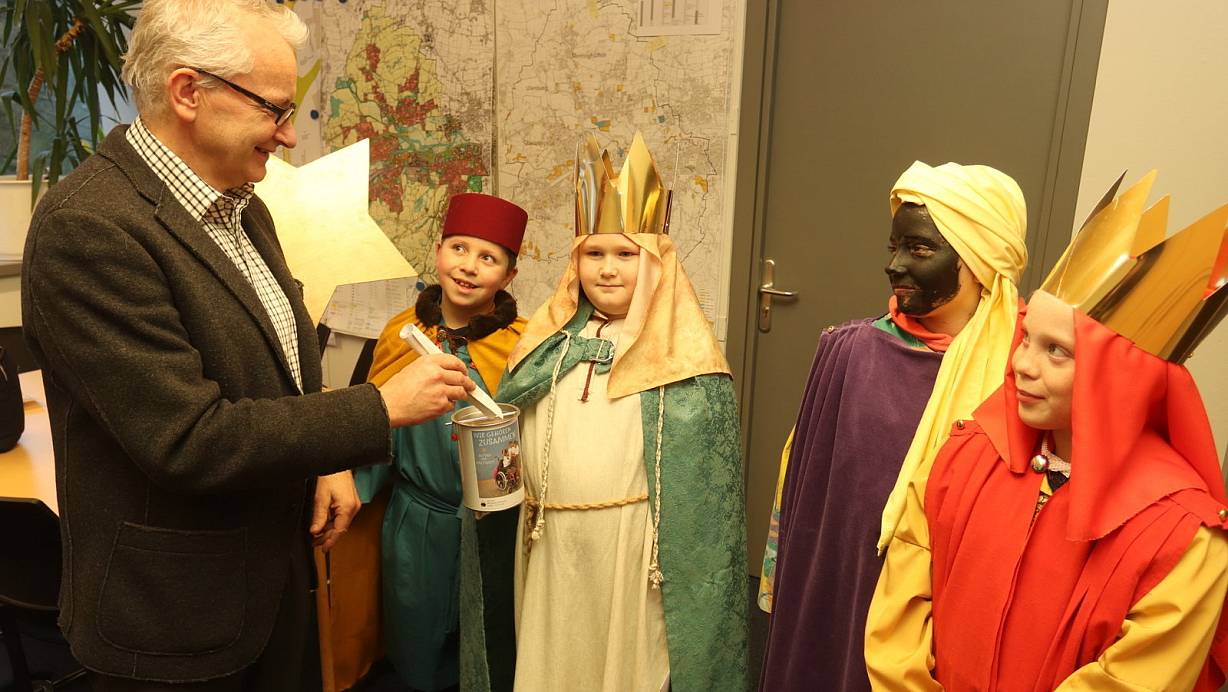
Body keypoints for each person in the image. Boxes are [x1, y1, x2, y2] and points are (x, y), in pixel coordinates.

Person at [19, 1, 475, 689]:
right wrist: (376, 409)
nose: (289, 136)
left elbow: (278, 365)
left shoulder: (241, 205)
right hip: (175, 623)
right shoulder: (90, 229)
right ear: (187, 92)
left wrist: (324, 463)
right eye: (273, 109)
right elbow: (189, 438)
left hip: (272, 584)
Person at [865, 172, 1228, 690]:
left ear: (1120, 380)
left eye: (1055, 351)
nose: (1020, 364)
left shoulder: (1184, 539)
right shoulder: (964, 458)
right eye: (1027, 337)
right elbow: (898, 618)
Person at [474, 132, 747, 691]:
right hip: (549, 540)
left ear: (657, 262)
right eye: (593, 254)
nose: (607, 269)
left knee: (620, 662)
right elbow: (514, 420)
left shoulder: (684, 355)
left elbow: (703, 492)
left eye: (626, 254)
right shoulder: (545, 342)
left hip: (631, 542)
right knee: (553, 654)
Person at [759, 161, 1028, 691]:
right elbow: (803, 498)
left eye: (921, 249)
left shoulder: (1026, 369)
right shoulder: (848, 351)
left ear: (980, 261)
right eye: (894, 248)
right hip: (848, 590)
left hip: (953, 600)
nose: (896, 265)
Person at [322, 193, 528, 692]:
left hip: (494, 526)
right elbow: (376, 426)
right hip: (415, 521)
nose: (469, 267)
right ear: (438, 251)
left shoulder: (522, 343)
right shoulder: (402, 333)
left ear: (508, 274)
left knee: (489, 637)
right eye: (459, 248)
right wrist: (350, 486)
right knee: (413, 635)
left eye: (488, 258)